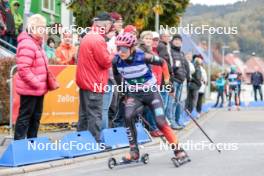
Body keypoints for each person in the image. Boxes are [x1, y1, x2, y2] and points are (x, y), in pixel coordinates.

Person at [112, 32, 188, 161]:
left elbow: (163, 63)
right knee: (128, 116)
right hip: (135, 95)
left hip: (151, 93)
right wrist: (123, 92)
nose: (121, 52)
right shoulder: (116, 61)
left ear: (132, 48)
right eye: (118, 48)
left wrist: (168, 83)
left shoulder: (143, 57)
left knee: (160, 122)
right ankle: (134, 151)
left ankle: (178, 150)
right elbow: (117, 76)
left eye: (124, 49)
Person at [76, 12, 114, 142]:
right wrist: (114, 54)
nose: (110, 28)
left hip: (85, 82)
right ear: (106, 24)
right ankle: (94, 143)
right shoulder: (98, 39)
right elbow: (106, 62)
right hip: (94, 82)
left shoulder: (88, 36)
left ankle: (81, 142)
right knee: (94, 115)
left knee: (84, 115)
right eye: (110, 25)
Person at [14, 14, 48, 140]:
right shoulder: (27, 43)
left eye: (44, 27)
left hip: (38, 89)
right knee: (25, 117)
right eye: (41, 27)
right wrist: (37, 83)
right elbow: (23, 69)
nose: (43, 30)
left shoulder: (37, 43)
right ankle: (19, 145)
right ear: (33, 28)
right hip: (30, 88)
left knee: (36, 117)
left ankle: (32, 143)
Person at [137, 30, 164, 137]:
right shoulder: (139, 51)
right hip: (141, 84)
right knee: (144, 108)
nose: (149, 40)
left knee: (151, 108)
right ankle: (150, 129)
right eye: (146, 38)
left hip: (152, 84)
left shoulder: (152, 52)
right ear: (142, 39)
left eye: (150, 39)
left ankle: (153, 128)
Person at [167, 34, 190, 129]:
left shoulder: (181, 53)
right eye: (175, 40)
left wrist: (187, 77)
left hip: (181, 81)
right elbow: (169, 66)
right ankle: (171, 122)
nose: (177, 41)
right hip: (173, 81)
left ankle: (176, 121)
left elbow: (185, 67)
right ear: (172, 41)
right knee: (171, 103)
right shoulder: (170, 52)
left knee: (176, 102)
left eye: (179, 40)